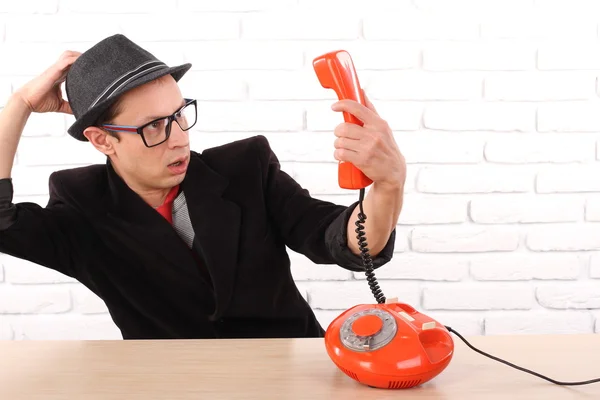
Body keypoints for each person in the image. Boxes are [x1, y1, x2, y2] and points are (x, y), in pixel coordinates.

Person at [0, 34, 406, 340]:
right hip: (175, 385)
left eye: (179, 115)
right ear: (103, 140)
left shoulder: (245, 168)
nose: (178, 137)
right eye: (154, 126)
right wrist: (19, 103)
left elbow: (342, 238)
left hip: (289, 367)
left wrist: (388, 185)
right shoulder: (81, 205)